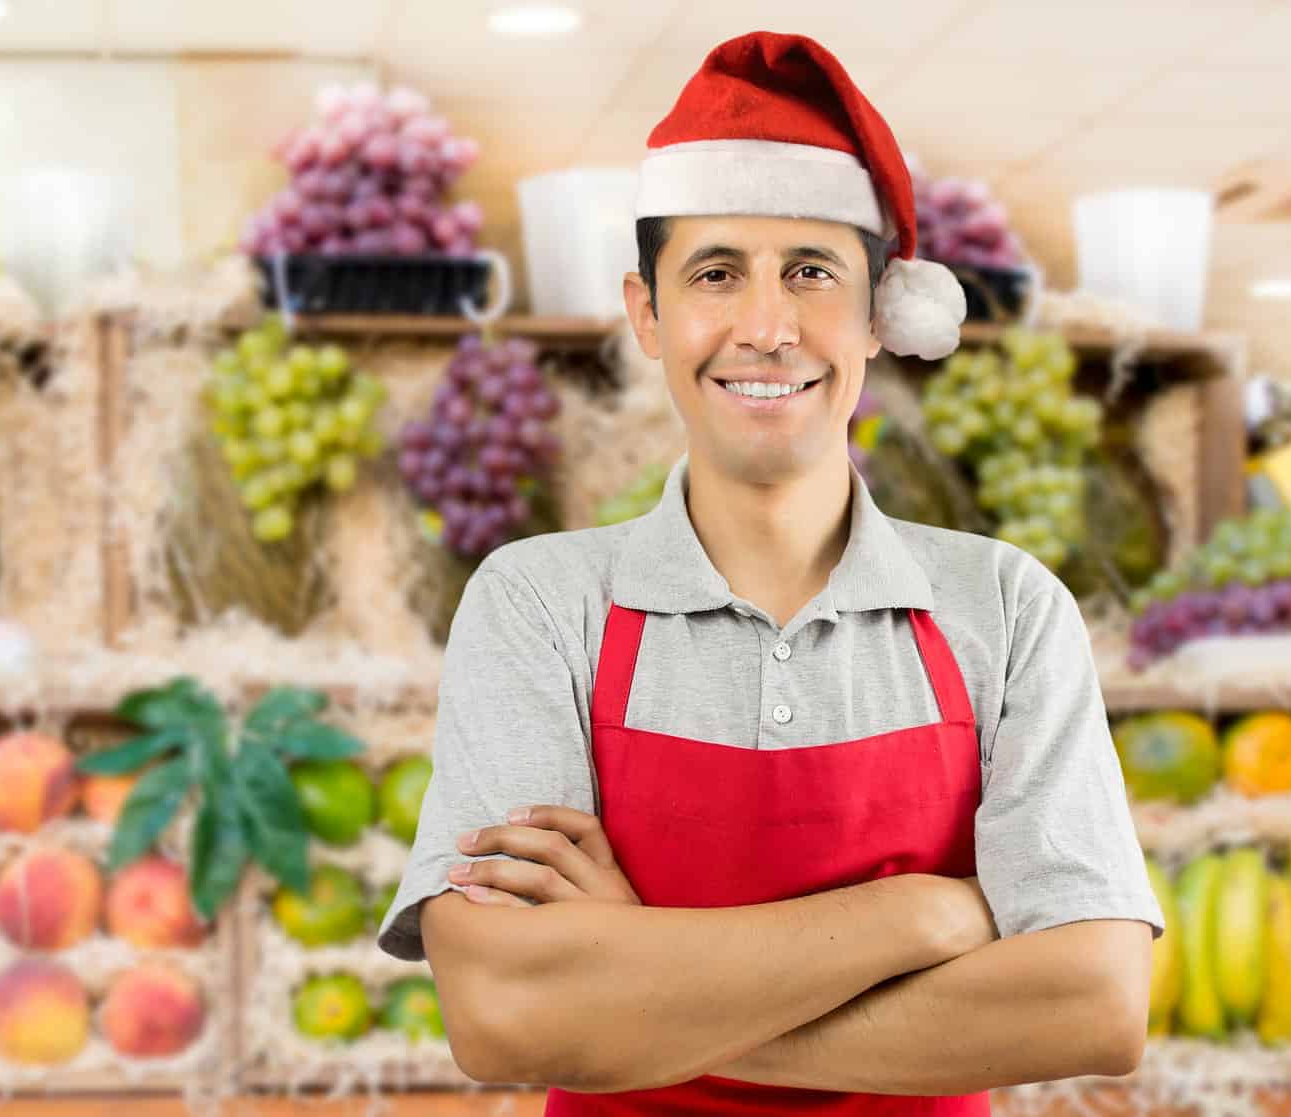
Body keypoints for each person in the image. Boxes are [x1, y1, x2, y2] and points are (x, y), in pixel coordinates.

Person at [373, 31, 1164, 1115]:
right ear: (646, 313)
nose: (765, 325)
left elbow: (1092, 1008)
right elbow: (506, 1018)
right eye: (714, 273)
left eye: (809, 272)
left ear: (878, 313)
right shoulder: (542, 604)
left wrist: (633, 992)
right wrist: (922, 920)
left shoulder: (1004, 608)